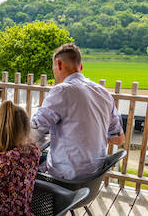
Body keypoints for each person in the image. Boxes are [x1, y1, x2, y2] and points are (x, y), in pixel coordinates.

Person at [31, 43, 125, 180]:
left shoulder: (62, 91)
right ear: (80, 68)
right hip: (92, 177)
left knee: (19, 170)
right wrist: (90, 134)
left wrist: (2, 140)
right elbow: (118, 139)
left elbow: (33, 132)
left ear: (59, 64)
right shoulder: (104, 93)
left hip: (65, 179)